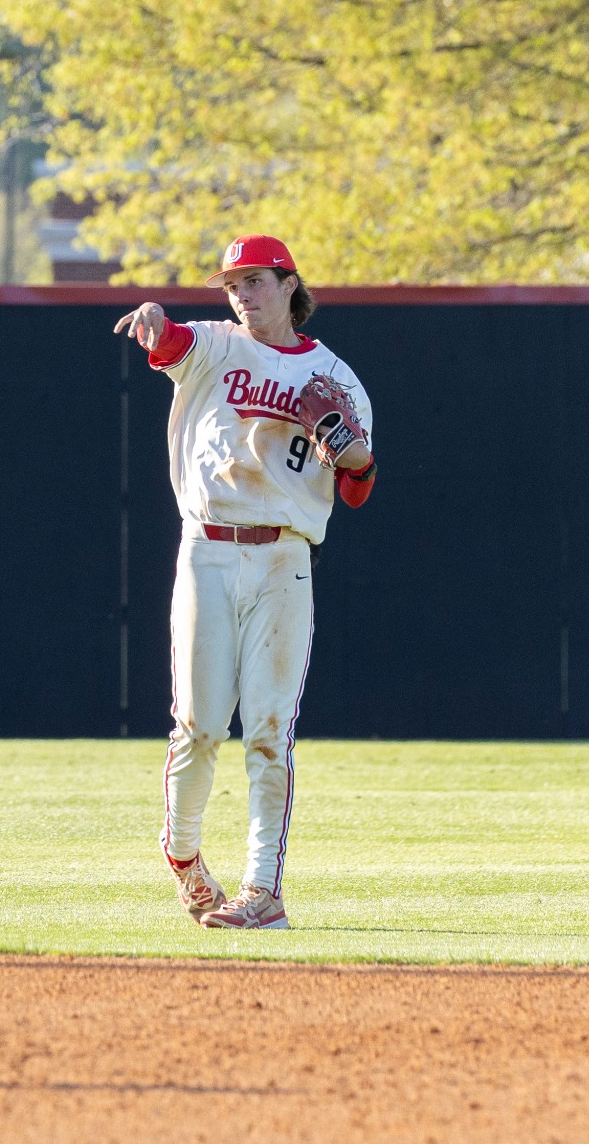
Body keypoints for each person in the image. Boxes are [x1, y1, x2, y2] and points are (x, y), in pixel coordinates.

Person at [113, 234, 376, 930]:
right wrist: (152, 317)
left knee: (268, 730)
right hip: (208, 549)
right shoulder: (214, 344)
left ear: (289, 283)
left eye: (255, 280)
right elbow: (168, 343)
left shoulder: (338, 377)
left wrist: (351, 454)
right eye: (233, 284)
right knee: (198, 726)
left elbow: (358, 487)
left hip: (286, 557)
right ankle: (184, 856)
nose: (242, 294)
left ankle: (263, 890)